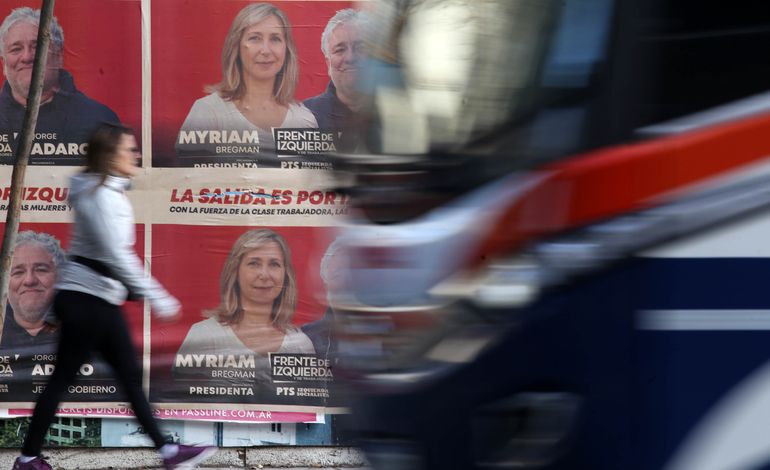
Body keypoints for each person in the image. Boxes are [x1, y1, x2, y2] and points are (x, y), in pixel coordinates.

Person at [13, 124, 215, 470]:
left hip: (94, 299)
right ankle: (28, 458)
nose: (136, 155)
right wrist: (158, 296)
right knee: (71, 378)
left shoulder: (104, 191)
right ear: (110, 155)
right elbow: (117, 255)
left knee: (122, 377)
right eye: (129, 149)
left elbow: (111, 258)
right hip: (87, 302)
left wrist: (138, 291)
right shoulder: (101, 196)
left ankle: (167, 451)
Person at [176, 3, 317, 163]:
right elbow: (186, 183)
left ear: (286, 49)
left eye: (275, 39)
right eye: (255, 38)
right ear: (236, 46)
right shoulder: (208, 112)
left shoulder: (303, 119)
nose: (265, 50)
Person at [175, 228, 314, 384]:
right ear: (236, 271)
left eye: (274, 264)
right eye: (254, 263)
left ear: (285, 274)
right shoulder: (204, 336)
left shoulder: (300, 345)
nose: (264, 275)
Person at [0, 7, 119, 163]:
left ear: (59, 55)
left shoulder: (100, 120)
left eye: (37, 46)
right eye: (16, 49)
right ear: (3, 63)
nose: (27, 57)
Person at [303, 9, 367, 152]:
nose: (350, 58)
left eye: (361, 48)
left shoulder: (394, 113)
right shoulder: (304, 116)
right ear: (328, 64)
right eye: (340, 50)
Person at [1, 231, 64, 350]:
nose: (29, 280)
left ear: (61, 276)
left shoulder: (86, 330)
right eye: (18, 272)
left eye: (41, 270)